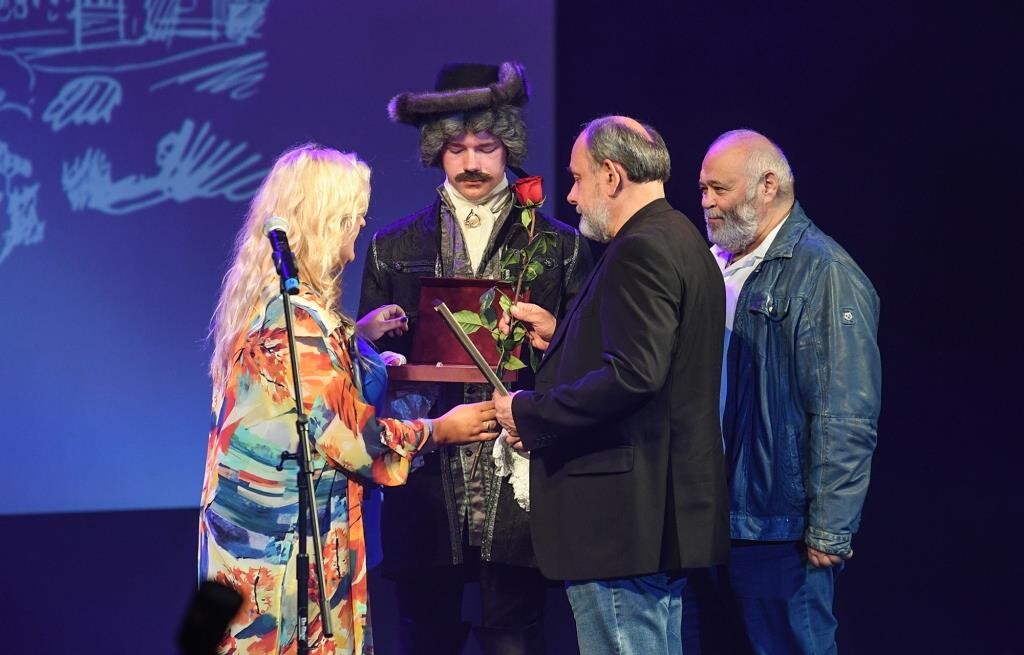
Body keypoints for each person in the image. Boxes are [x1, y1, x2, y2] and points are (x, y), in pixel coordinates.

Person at [199, 144, 499, 655]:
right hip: (282, 563)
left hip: (268, 549)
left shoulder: (282, 312)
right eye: (354, 216)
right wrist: (442, 429)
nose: (361, 227)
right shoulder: (295, 324)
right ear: (327, 221)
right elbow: (355, 442)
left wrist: (355, 339)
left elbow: (304, 390)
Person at [358, 61, 592, 654]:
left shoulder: (561, 247)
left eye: (486, 148)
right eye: (456, 149)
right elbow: (367, 377)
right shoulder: (393, 248)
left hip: (519, 482)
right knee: (426, 639)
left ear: (507, 148)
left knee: (514, 639)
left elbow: (587, 369)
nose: (471, 164)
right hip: (426, 484)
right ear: (436, 151)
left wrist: (552, 344)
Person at [492, 115, 730, 655]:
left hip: (623, 522)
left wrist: (529, 411)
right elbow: (650, 359)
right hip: (650, 517)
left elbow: (634, 374)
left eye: (578, 178)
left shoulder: (640, 249)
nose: (571, 196)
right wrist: (560, 339)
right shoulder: (680, 239)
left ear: (612, 175)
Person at [689, 129, 881, 654]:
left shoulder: (826, 273)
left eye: (719, 189)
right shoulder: (713, 263)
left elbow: (846, 412)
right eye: (702, 189)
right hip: (712, 517)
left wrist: (832, 527)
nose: (706, 202)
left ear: (767, 186)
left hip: (779, 526)